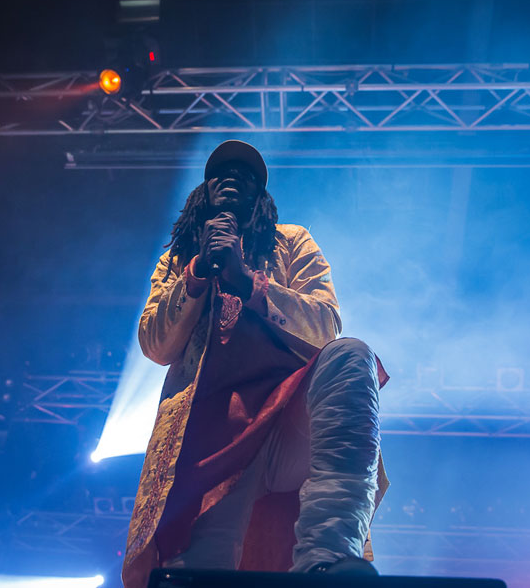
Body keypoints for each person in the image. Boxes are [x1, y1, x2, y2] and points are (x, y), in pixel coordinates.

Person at [122, 140, 389, 588]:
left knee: (350, 354)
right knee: (200, 570)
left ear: (261, 196)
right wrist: (196, 274)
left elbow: (326, 326)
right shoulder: (178, 259)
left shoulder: (292, 242)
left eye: (246, 174)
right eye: (221, 172)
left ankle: (329, 560)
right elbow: (155, 345)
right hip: (212, 435)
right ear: (204, 192)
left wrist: (248, 282)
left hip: (287, 420)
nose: (232, 177)